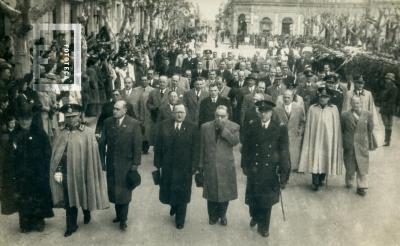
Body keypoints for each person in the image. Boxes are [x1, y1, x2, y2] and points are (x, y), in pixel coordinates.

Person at [50, 101, 109, 237]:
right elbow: (57, 154)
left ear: (79, 116)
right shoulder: (60, 132)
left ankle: (86, 211)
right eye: (68, 116)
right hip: (66, 171)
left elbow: (92, 156)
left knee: (84, 193)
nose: (70, 119)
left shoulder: (87, 133)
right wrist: (58, 169)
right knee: (69, 197)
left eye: (73, 116)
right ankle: (71, 226)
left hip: (82, 171)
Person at [241, 99, 289, 237]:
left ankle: (264, 226)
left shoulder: (279, 128)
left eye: (266, 112)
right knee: (253, 199)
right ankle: (255, 216)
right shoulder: (252, 125)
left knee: (266, 200)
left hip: (270, 170)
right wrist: (244, 164)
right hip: (254, 168)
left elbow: (284, 151)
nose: (263, 115)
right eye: (261, 111)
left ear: (271, 112)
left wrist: (284, 171)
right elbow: (246, 148)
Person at [99, 100, 142, 231]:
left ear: (125, 110)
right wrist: (102, 161)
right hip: (112, 162)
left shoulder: (134, 124)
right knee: (114, 191)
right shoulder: (108, 122)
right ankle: (119, 216)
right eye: (114, 109)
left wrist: (135, 164)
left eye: (117, 109)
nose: (114, 111)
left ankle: (123, 220)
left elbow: (137, 145)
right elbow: (102, 143)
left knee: (124, 192)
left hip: (126, 164)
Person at [8, 109, 54, 233]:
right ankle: (25, 223)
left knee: (38, 197)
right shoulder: (15, 134)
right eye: (21, 119)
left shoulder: (39, 132)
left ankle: (39, 221)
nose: (24, 121)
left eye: (27, 119)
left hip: (37, 172)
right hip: (22, 174)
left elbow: (47, 151)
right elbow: (10, 154)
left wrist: (45, 168)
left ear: (31, 119)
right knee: (24, 198)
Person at [154, 104, 199, 229]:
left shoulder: (192, 127)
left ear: (186, 114)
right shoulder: (164, 125)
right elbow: (158, 146)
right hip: (168, 166)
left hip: (185, 167)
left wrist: (194, 166)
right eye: (177, 112)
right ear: (173, 113)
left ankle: (180, 219)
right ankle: (174, 205)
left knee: (183, 193)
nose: (179, 115)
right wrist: (157, 164)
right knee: (169, 189)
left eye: (182, 112)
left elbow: (196, 149)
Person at [199, 105, 240, 226]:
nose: (219, 118)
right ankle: (212, 216)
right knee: (211, 192)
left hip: (226, 165)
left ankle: (222, 215)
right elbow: (202, 147)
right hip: (210, 164)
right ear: (214, 115)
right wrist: (200, 166)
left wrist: (223, 130)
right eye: (217, 116)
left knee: (225, 193)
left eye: (223, 116)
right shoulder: (205, 127)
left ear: (228, 116)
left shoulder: (234, 126)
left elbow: (234, 141)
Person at [298, 86, 343, 191]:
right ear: (319, 97)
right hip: (315, 139)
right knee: (315, 157)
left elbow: (336, 126)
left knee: (325, 157)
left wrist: (334, 139)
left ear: (329, 98)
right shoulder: (313, 109)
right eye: (321, 96)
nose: (323, 99)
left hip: (328, 139)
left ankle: (322, 177)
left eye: (326, 97)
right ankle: (315, 181)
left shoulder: (333, 109)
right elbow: (309, 125)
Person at [341, 96, 375, 196]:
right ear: (351, 104)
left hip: (361, 144)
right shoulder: (345, 115)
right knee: (350, 165)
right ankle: (349, 180)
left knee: (362, 165)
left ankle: (362, 186)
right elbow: (342, 129)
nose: (356, 105)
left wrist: (364, 139)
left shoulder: (368, 114)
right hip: (349, 143)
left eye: (358, 103)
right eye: (354, 103)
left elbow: (370, 128)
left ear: (361, 103)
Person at [274, 90, 305, 173]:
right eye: (284, 97)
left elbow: (302, 121)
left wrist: (300, 130)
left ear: (292, 98)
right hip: (281, 136)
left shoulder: (298, 108)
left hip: (294, 134)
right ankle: (283, 167)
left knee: (293, 151)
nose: (286, 99)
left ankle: (293, 166)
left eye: (288, 97)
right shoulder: (277, 109)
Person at [379, 73, 398, 146]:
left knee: (388, 124)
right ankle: (387, 140)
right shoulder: (386, 86)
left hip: (388, 108)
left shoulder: (394, 88)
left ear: (391, 80)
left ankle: (387, 140)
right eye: (386, 78)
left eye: (388, 79)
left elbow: (392, 100)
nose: (386, 80)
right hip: (385, 107)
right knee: (386, 124)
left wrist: (385, 105)